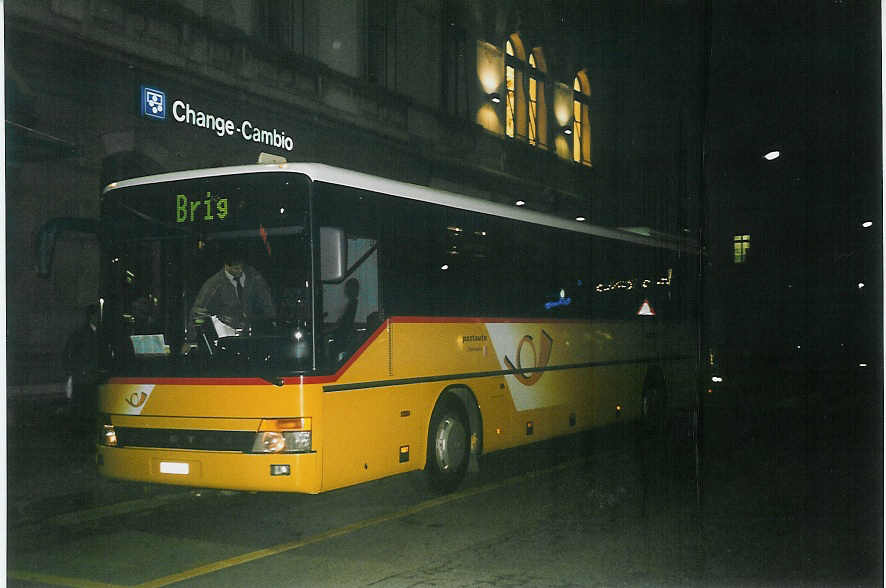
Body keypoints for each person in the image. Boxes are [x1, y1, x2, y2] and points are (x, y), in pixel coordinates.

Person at [186, 249, 275, 347]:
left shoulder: (254, 278)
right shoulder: (213, 284)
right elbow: (198, 311)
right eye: (236, 268)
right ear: (226, 266)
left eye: (241, 267)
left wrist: (271, 323)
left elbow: (268, 304)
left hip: (252, 331)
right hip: (226, 333)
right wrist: (191, 340)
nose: (240, 271)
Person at [63, 304, 101, 431]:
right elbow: (69, 353)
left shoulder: (97, 333)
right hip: (84, 376)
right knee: (82, 406)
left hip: (91, 375)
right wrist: (77, 370)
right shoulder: (81, 334)